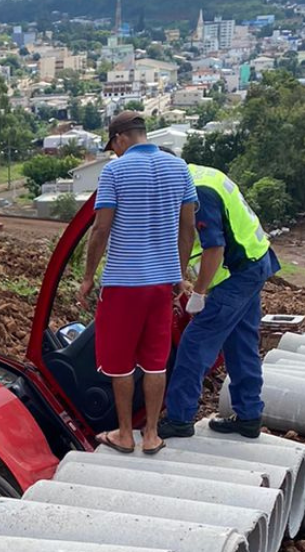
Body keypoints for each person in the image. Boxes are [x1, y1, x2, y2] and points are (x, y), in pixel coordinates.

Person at [77, 111, 198, 455]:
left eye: (112, 147)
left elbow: (101, 229)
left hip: (122, 284)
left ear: (119, 139)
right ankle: (152, 435)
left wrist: (88, 277)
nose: (113, 153)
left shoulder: (115, 171)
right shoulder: (179, 169)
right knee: (156, 362)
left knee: (121, 364)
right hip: (161, 285)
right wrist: (179, 275)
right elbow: (187, 228)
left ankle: (125, 434)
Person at [157, 162, 281, 440]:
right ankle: (248, 415)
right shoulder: (202, 174)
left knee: (194, 343)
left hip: (239, 273)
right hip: (255, 261)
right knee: (241, 342)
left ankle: (179, 419)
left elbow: (214, 246)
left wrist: (199, 293)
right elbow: (191, 234)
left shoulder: (199, 193)